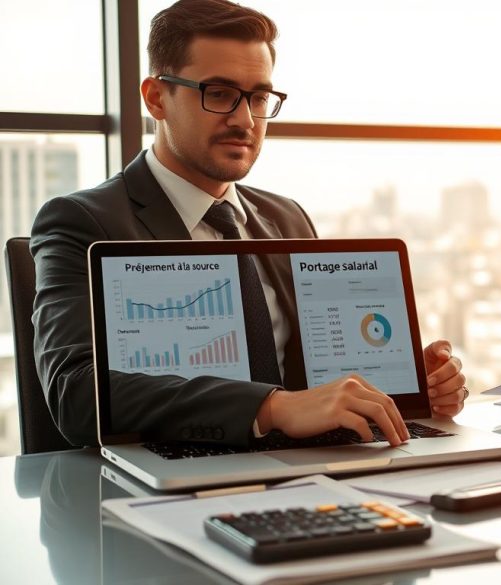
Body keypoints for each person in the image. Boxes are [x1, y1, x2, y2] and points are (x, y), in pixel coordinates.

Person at [29, 0, 467, 449]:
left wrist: (405, 386)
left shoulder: (286, 217)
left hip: (307, 463)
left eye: (259, 98)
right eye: (219, 94)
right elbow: (75, 393)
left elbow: (320, 379)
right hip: (171, 465)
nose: (244, 120)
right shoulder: (83, 222)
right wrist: (271, 408)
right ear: (156, 98)